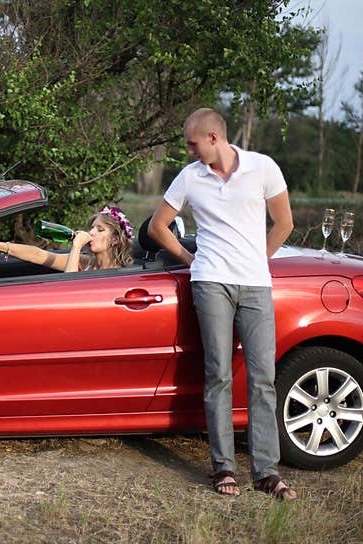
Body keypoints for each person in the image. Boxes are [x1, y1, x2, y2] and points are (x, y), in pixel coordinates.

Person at [148, 107, 297, 500]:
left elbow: (284, 223)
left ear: (213, 137)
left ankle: (266, 471)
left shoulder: (262, 167)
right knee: (218, 375)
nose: (189, 151)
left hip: (255, 286)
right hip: (210, 282)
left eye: (192, 144)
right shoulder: (190, 177)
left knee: (263, 377)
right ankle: (223, 468)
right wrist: (189, 259)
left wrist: (258, 258)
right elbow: (156, 227)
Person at [0, 206, 134, 272]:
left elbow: (70, 287)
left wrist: (75, 247)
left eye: (100, 230)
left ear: (115, 240)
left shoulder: (116, 272)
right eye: (91, 228)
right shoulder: (86, 262)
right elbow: (38, 255)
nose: (91, 233)